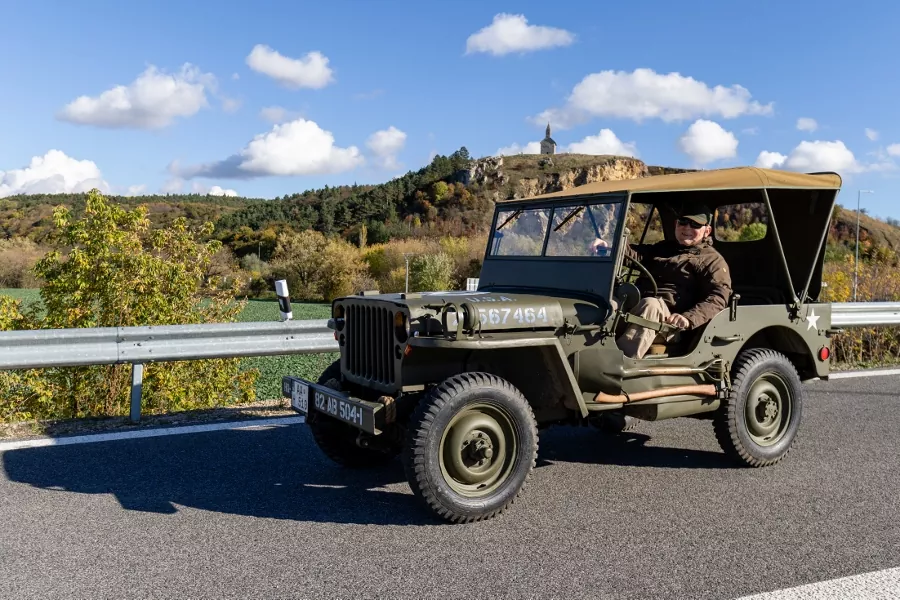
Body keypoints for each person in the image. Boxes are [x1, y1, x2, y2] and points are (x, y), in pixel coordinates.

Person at [590, 202, 732, 359]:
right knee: (608, 303)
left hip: (670, 323)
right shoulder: (664, 248)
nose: (687, 228)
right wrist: (610, 247)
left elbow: (719, 297)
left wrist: (688, 318)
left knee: (651, 305)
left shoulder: (712, 260)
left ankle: (619, 363)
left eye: (695, 225)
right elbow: (635, 255)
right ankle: (585, 355)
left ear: (707, 231)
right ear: (676, 224)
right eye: (683, 222)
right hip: (637, 306)